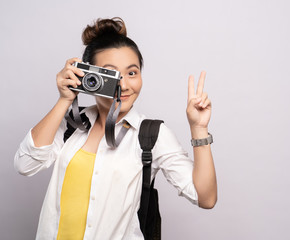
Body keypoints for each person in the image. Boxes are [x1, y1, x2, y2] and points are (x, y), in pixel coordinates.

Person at [14, 17, 217, 240]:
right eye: (110, 74)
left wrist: (199, 128)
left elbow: (205, 198)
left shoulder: (150, 135)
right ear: (88, 77)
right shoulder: (72, 125)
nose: (123, 85)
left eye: (132, 73)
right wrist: (65, 99)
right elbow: (25, 164)